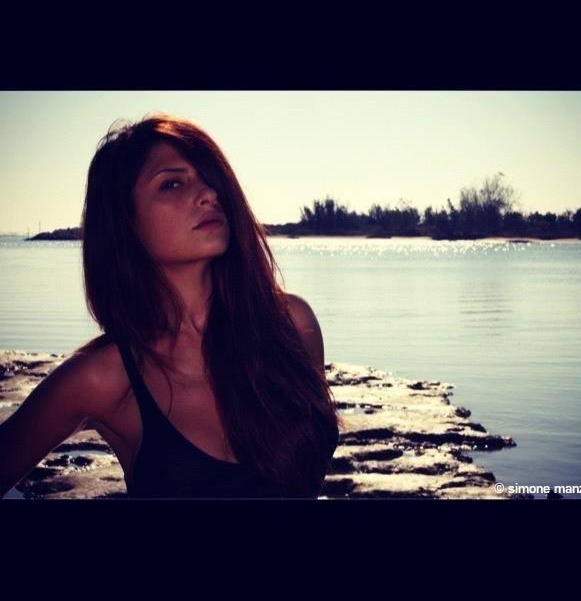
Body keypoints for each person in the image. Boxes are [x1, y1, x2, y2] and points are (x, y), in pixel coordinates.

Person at [0, 112, 342, 499]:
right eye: (172, 184)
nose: (209, 193)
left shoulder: (291, 325)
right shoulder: (103, 378)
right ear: (125, 222)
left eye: (209, 178)